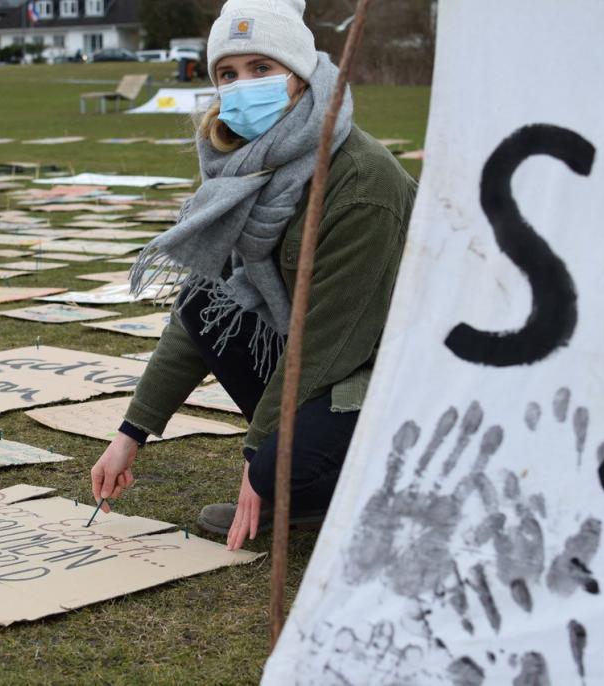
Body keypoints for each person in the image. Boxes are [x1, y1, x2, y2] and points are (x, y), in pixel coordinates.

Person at [90, 0, 417, 551]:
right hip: (324, 358)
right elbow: (199, 314)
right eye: (228, 74)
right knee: (202, 300)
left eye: (261, 68)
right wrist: (131, 432)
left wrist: (255, 458)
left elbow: (325, 343)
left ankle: (341, 488)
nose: (243, 87)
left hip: (389, 374)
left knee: (274, 470)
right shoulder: (243, 168)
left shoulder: (361, 184)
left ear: (300, 75)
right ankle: (295, 477)